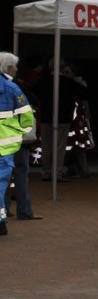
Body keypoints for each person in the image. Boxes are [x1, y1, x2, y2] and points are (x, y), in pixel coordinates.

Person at [0, 51, 36, 238]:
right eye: (14, 66)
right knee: (12, 177)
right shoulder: (13, 88)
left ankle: (3, 214)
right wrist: (21, 133)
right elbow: (27, 114)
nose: (16, 69)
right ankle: (10, 215)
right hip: (11, 143)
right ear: (8, 68)